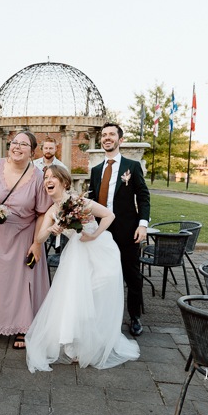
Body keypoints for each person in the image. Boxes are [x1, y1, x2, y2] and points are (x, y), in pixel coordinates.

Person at [25, 165, 140, 371]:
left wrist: (94, 235)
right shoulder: (52, 211)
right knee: (77, 297)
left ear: (64, 182)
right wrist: (51, 228)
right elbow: (39, 238)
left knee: (98, 292)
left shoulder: (80, 202)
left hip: (101, 250)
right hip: (77, 255)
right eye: (46, 178)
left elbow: (109, 215)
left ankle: (97, 340)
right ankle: (78, 342)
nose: (48, 181)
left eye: (53, 177)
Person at [0, 131, 52, 350]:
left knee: (20, 283)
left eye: (24, 144)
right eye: (15, 142)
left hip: (22, 236)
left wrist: (37, 243)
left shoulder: (39, 176)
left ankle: (22, 327)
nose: (17, 147)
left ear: (32, 152)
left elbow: (43, 212)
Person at [88, 122, 150, 337]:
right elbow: (92, 200)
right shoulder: (96, 170)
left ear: (120, 140)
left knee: (131, 275)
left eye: (111, 134)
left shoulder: (132, 167)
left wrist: (143, 225)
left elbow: (143, 196)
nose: (107, 138)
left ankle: (134, 317)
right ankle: (103, 316)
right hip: (100, 231)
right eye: (104, 135)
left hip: (127, 230)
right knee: (100, 275)